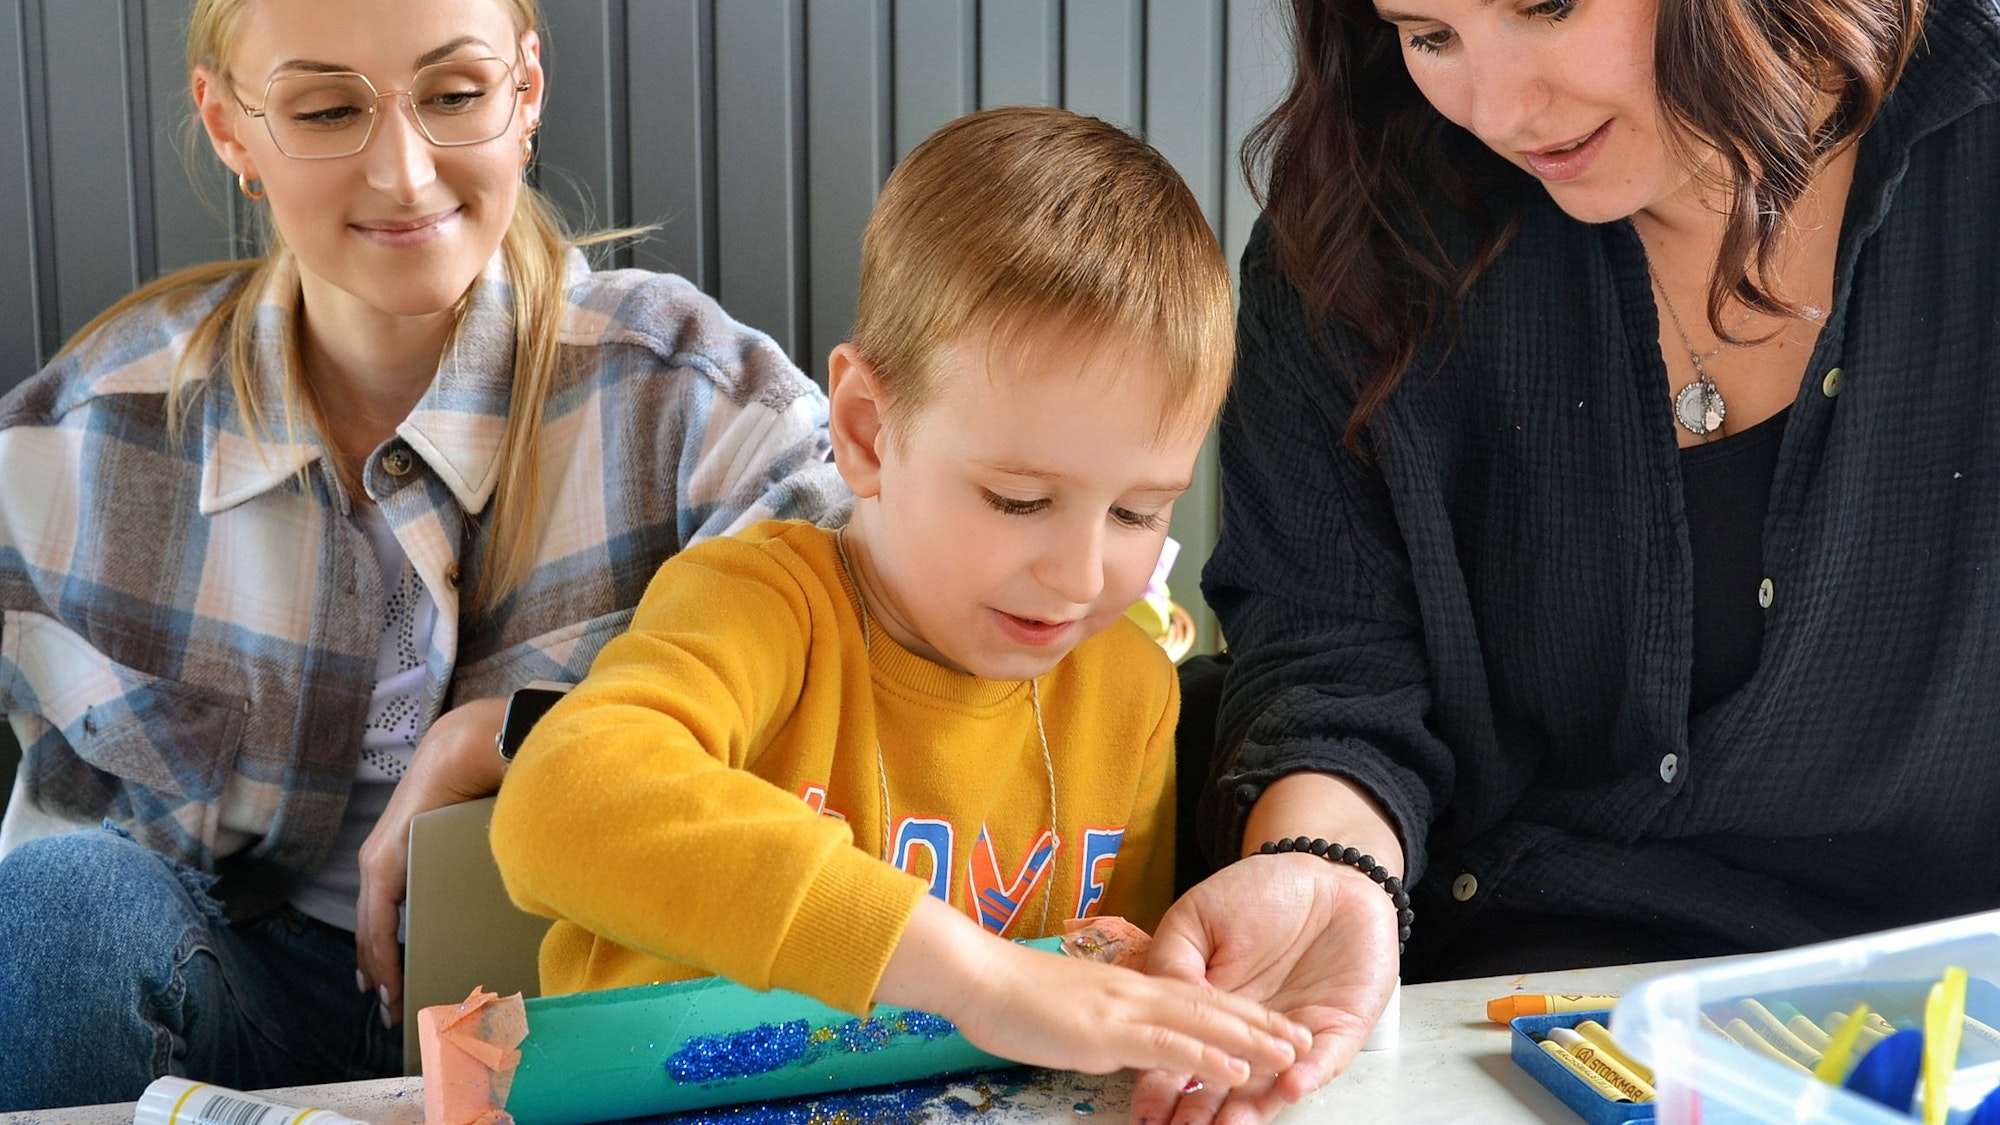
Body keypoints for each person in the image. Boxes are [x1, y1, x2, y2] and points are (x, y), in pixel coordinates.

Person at [1135, 0, 2000, 1123]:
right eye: (1425, 31)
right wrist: (1323, 865)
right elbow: (1329, 653)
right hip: (1510, 1009)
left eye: (1544, 6)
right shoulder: (1362, 225)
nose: (1497, 111)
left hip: (1945, 1021)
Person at [0, 0, 846, 1109]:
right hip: (220, 995)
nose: (403, 174)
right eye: (325, 107)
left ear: (525, 93)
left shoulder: (689, 402)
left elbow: (885, 642)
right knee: (58, 910)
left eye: (453, 96)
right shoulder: (86, 440)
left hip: (574, 1011)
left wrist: (505, 737)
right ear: (229, 125)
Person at [490, 106, 1313, 1087]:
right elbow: (557, 805)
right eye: (1019, 499)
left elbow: (1090, 1002)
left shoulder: (1128, 687)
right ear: (868, 433)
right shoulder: (761, 606)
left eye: (1139, 512)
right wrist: (969, 974)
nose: (1081, 574)